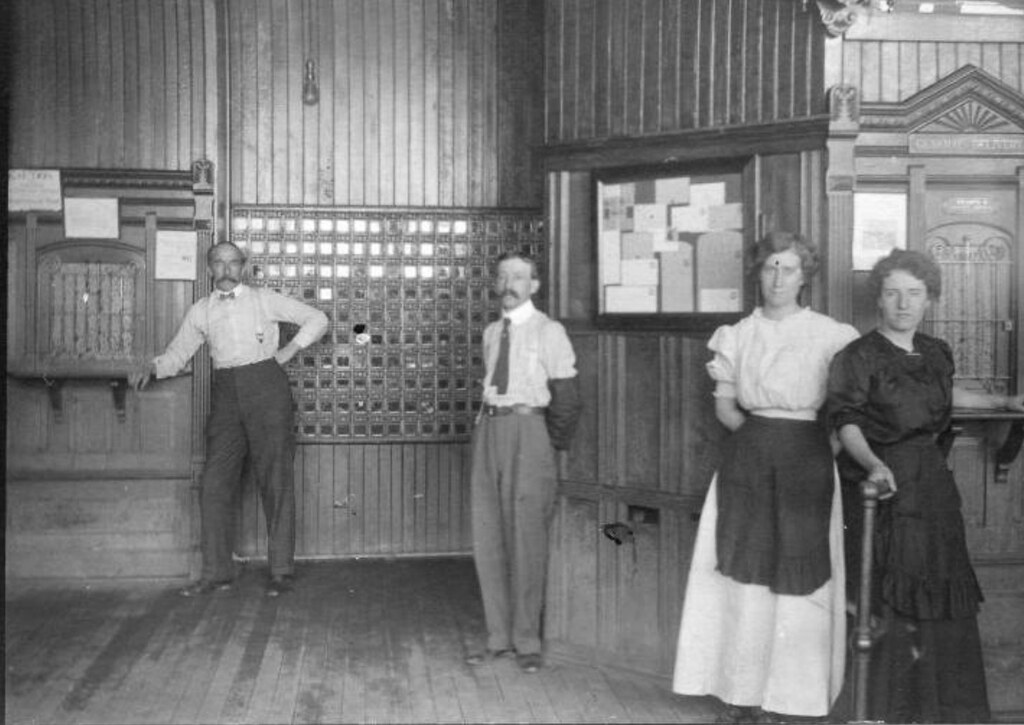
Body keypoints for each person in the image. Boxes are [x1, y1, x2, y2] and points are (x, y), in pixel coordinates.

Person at [827, 248, 1024, 723]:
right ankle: (886, 711)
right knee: (890, 596)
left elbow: (945, 394)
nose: (903, 303)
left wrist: (1005, 399)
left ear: (928, 299)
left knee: (939, 590)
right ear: (879, 298)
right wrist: (873, 464)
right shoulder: (856, 356)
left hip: (933, 485)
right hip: (885, 488)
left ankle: (939, 711)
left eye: (914, 294)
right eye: (893, 292)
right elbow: (846, 422)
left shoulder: (937, 352)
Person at [673, 231, 859, 723]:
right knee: (744, 579)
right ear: (758, 273)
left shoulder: (831, 335)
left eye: (789, 269)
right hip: (747, 461)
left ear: (805, 276)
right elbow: (727, 409)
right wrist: (764, 440)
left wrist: (811, 448)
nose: (778, 278)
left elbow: (844, 414)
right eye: (770, 268)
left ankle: (791, 699)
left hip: (808, 464)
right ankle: (741, 694)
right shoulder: (737, 335)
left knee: (799, 583)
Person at [129, 241, 328, 598]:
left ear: (243, 267)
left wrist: (287, 352)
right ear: (209, 269)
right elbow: (178, 354)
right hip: (226, 395)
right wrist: (151, 367)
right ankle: (216, 571)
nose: (225, 270)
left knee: (275, 478)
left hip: (266, 387)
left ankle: (281, 570)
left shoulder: (264, 299)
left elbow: (318, 318)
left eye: (232, 263)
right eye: (218, 264)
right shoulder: (201, 311)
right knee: (214, 483)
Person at [465, 250, 582, 674]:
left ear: (534, 286)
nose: (509, 283)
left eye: (519, 276)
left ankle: (527, 641)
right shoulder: (493, 332)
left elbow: (567, 400)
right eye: (503, 276)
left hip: (530, 432)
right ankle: (498, 638)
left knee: (527, 537)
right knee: (488, 536)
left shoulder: (549, 331)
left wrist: (545, 447)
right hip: (489, 430)